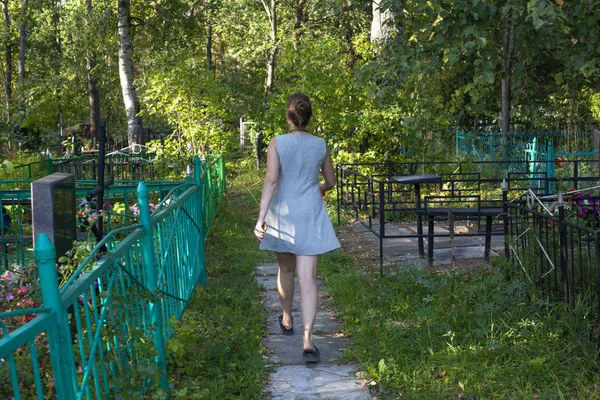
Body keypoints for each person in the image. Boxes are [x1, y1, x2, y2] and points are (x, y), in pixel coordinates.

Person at [254, 92, 340, 364]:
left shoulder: (277, 143)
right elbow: (330, 181)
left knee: (285, 269)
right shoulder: (320, 144)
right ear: (307, 116)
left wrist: (260, 218)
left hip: (283, 215)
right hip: (311, 214)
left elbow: (270, 180)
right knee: (309, 277)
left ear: (288, 117)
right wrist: (321, 189)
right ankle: (308, 340)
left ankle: (287, 317)